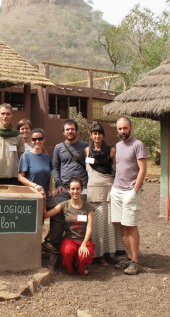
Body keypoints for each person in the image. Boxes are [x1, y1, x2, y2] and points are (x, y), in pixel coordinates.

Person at [110, 117, 147, 276]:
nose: (122, 132)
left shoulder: (138, 145)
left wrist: (135, 190)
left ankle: (135, 261)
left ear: (131, 128)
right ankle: (128, 257)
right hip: (117, 190)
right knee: (122, 225)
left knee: (131, 225)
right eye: (120, 129)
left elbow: (143, 169)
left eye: (125, 128)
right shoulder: (118, 145)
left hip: (131, 191)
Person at [84, 122, 124, 265]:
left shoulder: (111, 150)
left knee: (109, 223)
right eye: (94, 133)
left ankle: (112, 252)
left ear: (103, 135)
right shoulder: (87, 150)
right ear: (91, 135)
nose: (97, 136)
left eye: (99, 133)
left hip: (108, 190)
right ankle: (98, 255)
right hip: (92, 191)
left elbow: (116, 170)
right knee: (96, 224)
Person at [45, 119, 88, 250]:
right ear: (63, 132)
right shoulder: (59, 147)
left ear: (76, 131)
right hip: (63, 187)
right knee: (58, 214)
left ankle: (79, 244)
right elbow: (56, 167)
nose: (70, 131)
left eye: (72, 129)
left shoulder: (85, 146)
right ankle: (54, 243)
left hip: (81, 188)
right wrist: (58, 184)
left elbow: (89, 166)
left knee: (80, 216)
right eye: (67, 129)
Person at [43, 176, 95, 275]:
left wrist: (84, 244)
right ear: (69, 190)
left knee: (84, 258)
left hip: (84, 241)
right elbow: (46, 215)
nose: (75, 191)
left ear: (81, 189)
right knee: (68, 252)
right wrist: (44, 200)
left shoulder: (89, 207)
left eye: (77, 189)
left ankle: (81, 263)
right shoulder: (64, 205)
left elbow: (89, 228)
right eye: (73, 189)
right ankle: (70, 264)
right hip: (69, 239)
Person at [0, 103, 24, 185]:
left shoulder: (18, 136)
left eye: (8, 114)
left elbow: (21, 158)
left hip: (13, 177)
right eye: (2, 113)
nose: (5, 116)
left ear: (11, 115)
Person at [18, 128, 53, 196]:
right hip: (32, 196)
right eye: (34, 139)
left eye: (40, 139)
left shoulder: (47, 157)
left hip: (46, 197)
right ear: (31, 140)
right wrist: (35, 186)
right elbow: (20, 177)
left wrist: (51, 190)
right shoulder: (26, 156)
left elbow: (50, 176)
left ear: (44, 139)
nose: (37, 141)